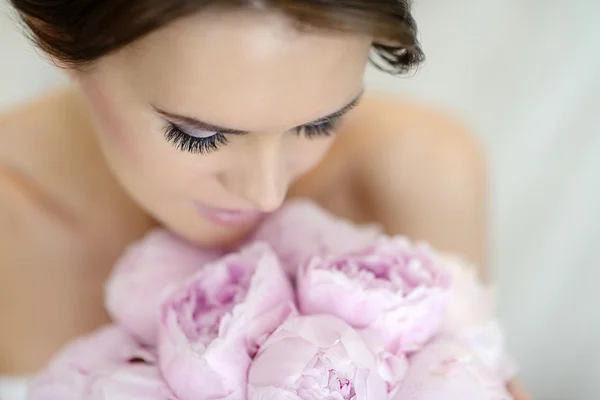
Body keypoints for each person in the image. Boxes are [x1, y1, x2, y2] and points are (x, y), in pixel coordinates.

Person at [0, 1, 529, 398]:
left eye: (321, 122)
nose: (267, 194)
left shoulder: (416, 171)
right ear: (53, 38)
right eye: (199, 134)